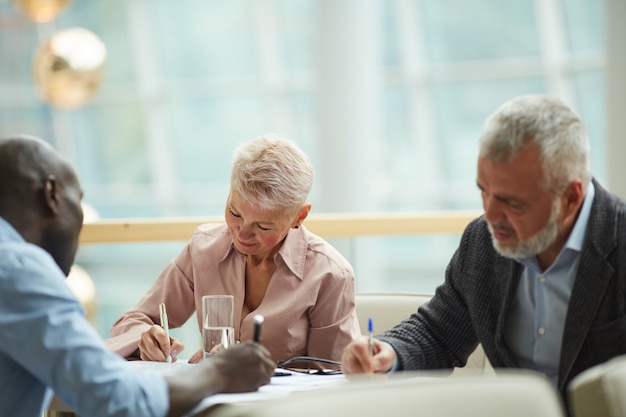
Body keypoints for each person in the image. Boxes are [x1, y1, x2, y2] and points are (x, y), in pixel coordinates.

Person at [341, 94, 626, 405]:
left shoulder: (619, 239)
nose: (490, 215)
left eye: (512, 202)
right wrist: (388, 353)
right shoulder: (483, 242)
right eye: (483, 191)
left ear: (571, 198)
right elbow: (439, 332)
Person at [0, 135, 275, 417]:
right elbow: (114, 398)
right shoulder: (17, 270)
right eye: (78, 201)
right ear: (52, 194)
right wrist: (219, 372)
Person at [106, 134, 360, 364]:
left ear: (299, 216)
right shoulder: (204, 247)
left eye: (262, 226)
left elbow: (333, 375)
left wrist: (251, 369)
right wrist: (147, 339)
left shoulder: (330, 274)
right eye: (234, 212)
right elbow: (133, 321)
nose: (242, 233)